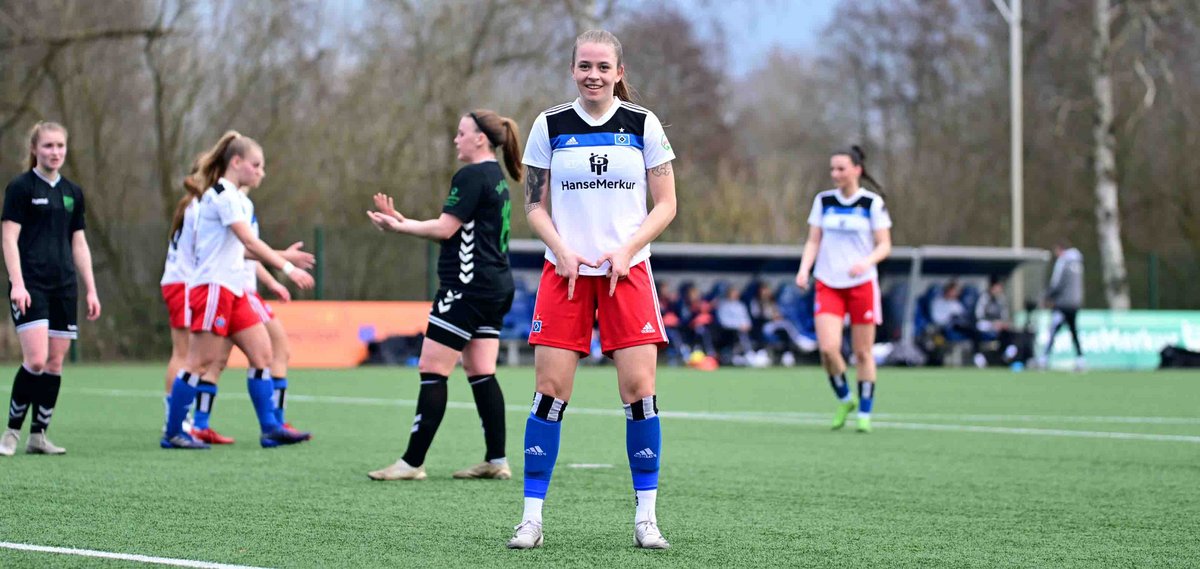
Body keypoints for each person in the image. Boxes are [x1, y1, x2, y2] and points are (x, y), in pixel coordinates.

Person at [506, 29, 676, 551]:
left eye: (603, 67)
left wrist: (627, 250)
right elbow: (534, 204)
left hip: (629, 274)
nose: (593, 75)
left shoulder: (643, 125)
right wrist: (560, 248)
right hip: (566, 274)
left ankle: (646, 518)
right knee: (550, 393)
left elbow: (666, 204)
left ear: (619, 72)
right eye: (585, 66)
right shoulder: (549, 125)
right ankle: (531, 518)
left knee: (638, 393)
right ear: (573, 69)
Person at [365, 108, 521, 482]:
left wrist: (400, 228)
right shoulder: (496, 177)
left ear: (480, 138)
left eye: (461, 133)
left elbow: (445, 229)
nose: (456, 139)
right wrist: (404, 222)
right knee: (481, 371)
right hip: (496, 286)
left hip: (465, 289)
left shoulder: (469, 175)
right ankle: (496, 459)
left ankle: (411, 462)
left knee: (432, 369)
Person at [161, 131, 314, 449]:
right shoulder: (222, 195)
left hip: (235, 290)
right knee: (198, 362)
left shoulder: (237, 200)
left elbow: (241, 250)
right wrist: (286, 269)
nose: (261, 172)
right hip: (213, 288)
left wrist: (279, 261)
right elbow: (248, 241)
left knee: (263, 354)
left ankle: (270, 429)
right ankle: (174, 432)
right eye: (256, 165)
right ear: (237, 162)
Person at [0, 121, 101, 456]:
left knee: (55, 365)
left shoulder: (73, 192)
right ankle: (11, 433)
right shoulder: (20, 188)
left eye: (60, 146)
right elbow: (9, 238)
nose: (55, 152)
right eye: (48, 146)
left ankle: (38, 436)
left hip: (64, 287)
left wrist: (91, 289)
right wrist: (17, 283)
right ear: (34, 149)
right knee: (37, 360)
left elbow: (79, 243)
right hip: (31, 285)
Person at [795, 145, 891, 434]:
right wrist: (804, 269)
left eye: (841, 168)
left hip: (862, 285)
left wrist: (866, 262)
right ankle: (844, 399)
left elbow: (885, 244)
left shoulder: (871, 204)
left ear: (857, 170)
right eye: (832, 169)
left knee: (863, 353)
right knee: (828, 349)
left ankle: (864, 412)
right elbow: (813, 240)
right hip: (828, 283)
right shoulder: (823, 201)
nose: (835, 174)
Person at [1040, 241, 1085, 371]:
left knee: (1053, 329)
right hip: (1075, 303)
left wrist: (1047, 296)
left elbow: (1057, 284)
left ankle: (1044, 358)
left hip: (1062, 304)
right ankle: (1080, 359)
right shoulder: (1078, 262)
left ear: (1060, 250)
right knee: (1074, 331)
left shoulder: (1063, 262)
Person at [973, 275, 1016, 367]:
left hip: (998, 326)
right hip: (986, 324)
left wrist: (1002, 323)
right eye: (997, 287)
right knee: (978, 328)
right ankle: (978, 356)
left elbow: (1005, 315)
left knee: (1009, 332)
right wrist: (992, 323)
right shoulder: (984, 297)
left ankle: (1007, 355)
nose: (999, 289)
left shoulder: (1001, 299)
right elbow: (979, 315)